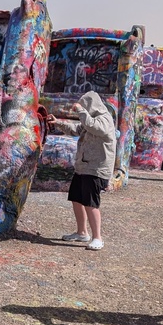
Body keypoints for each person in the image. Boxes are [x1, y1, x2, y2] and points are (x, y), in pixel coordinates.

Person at [53, 91, 116, 250]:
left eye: (85, 105)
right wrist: (58, 123)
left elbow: (95, 128)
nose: (82, 108)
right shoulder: (89, 120)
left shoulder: (104, 119)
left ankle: (97, 238)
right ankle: (82, 232)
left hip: (96, 169)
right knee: (76, 199)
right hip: (83, 166)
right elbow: (77, 129)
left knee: (90, 203)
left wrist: (81, 111)